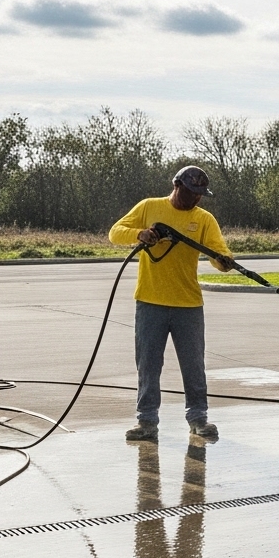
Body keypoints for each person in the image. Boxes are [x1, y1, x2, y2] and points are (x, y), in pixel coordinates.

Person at [108, 165, 236, 444]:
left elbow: (217, 251)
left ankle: (198, 419)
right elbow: (115, 232)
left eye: (200, 194)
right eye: (192, 192)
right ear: (177, 185)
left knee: (193, 365)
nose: (196, 199)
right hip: (150, 302)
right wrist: (139, 234)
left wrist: (223, 260)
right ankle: (146, 422)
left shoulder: (204, 219)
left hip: (188, 304)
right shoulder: (149, 207)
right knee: (148, 365)